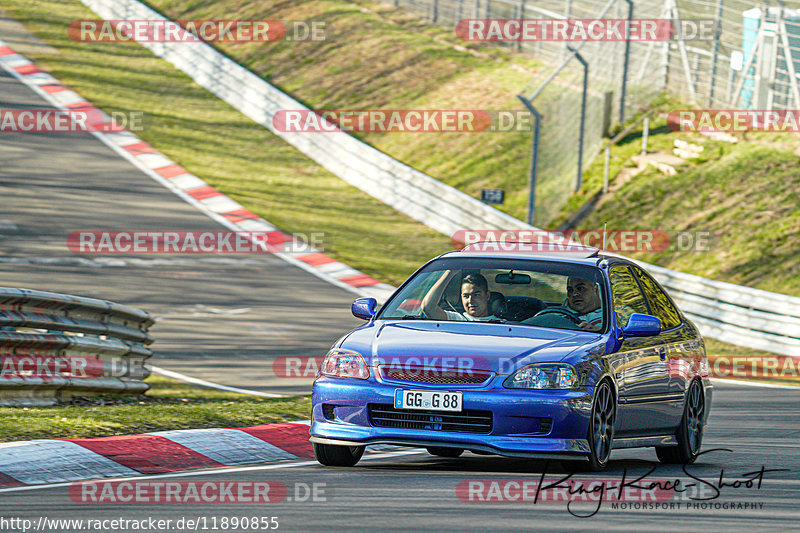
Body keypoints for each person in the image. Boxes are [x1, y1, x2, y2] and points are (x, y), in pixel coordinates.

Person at [420, 270, 498, 321]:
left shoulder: (501, 324)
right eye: (466, 296)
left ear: (487, 296)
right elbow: (428, 308)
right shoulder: (456, 319)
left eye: (476, 295)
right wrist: (450, 273)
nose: (470, 301)